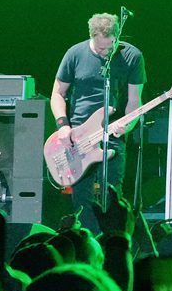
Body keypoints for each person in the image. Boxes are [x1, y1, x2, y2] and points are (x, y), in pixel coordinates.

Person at [49, 13, 145, 232]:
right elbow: (57, 93)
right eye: (101, 49)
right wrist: (63, 125)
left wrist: (127, 125)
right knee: (82, 202)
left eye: (110, 47)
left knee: (113, 200)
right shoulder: (75, 54)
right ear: (91, 36)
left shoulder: (132, 56)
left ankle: (113, 250)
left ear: (117, 36)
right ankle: (86, 249)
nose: (106, 53)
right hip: (78, 139)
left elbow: (134, 101)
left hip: (112, 137)